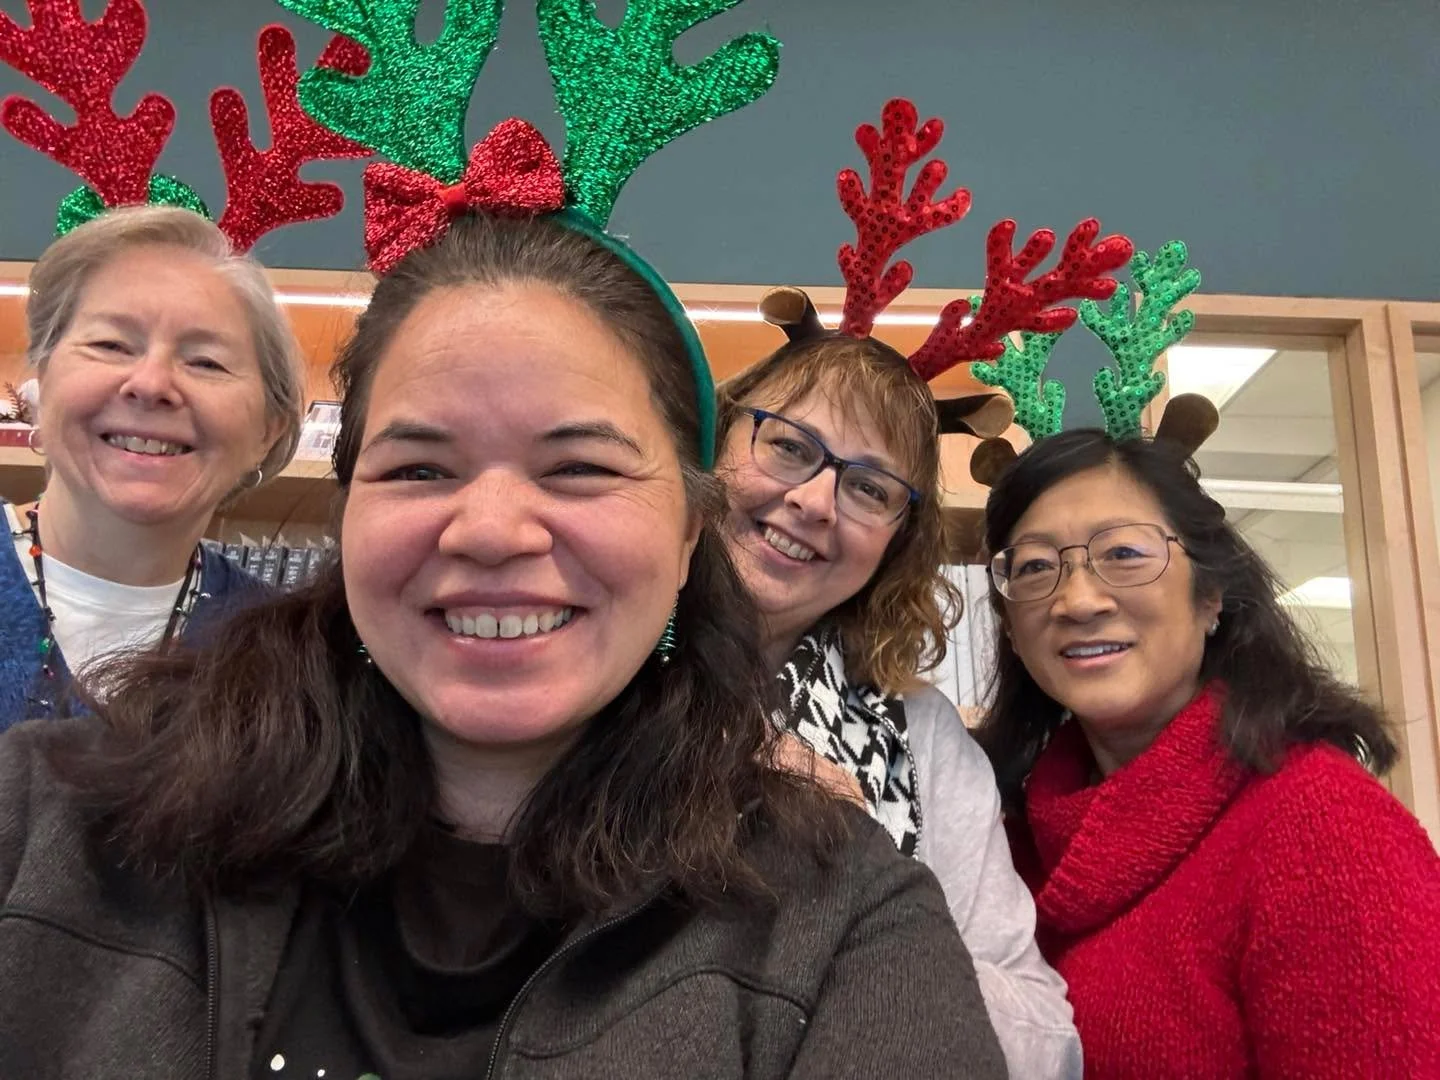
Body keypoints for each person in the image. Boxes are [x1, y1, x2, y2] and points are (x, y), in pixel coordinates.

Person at [0, 210, 1008, 1079]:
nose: (488, 530)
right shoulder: (47, 823)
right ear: (348, 514)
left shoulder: (842, 920)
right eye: (419, 467)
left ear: (690, 528)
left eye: (577, 469)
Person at [974, 429, 1440, 1078]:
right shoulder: (1003, 846)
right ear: (1009, 628)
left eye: (1125, 553)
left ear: (1211, 596)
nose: (1077, 600)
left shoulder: (1327, 830)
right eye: (1033, 567)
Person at [717, 327, 1083, 1077]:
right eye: (788, 446)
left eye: (869, 488)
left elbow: (1051, 1044)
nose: (816, 502)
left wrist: (869, 896)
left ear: (897, 540)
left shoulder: (921, 739)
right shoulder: (586, 662)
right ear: (714, 440)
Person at [0, 205, 305, 724]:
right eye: (111, 345)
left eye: (205, 362)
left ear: (267, 432)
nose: (151, 384)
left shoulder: (293, 657)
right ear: (44, 384)